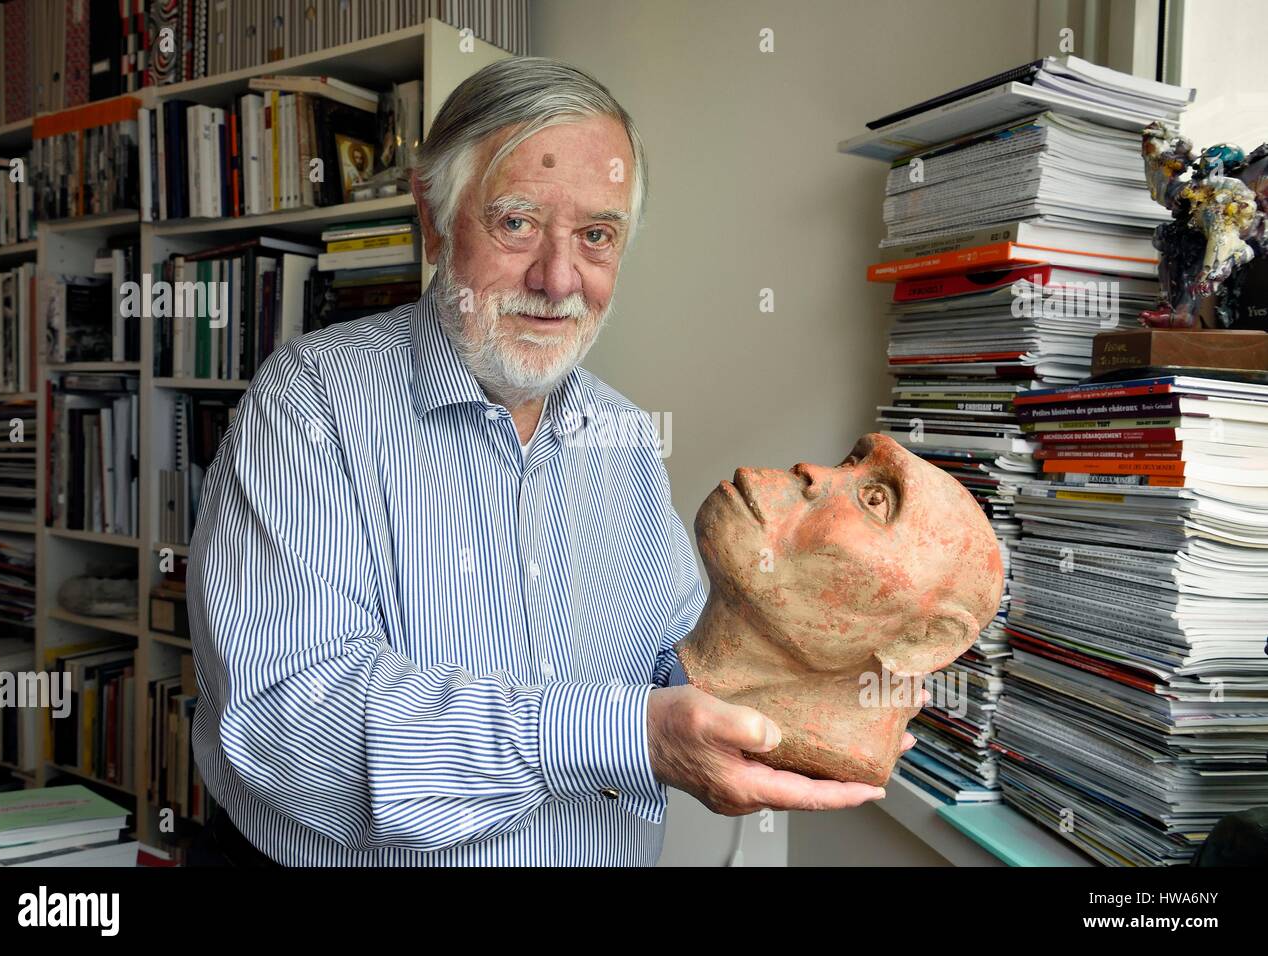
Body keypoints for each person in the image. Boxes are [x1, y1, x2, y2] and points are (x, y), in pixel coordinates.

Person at [186, 57, 904, 867]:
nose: (558, 280)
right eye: (517, 223)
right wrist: (619, 736)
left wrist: (805, 665)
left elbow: (676, 653)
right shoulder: (308, 405)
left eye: (596, 236)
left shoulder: (624, 436)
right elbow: (292, 725)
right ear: (433, 214)